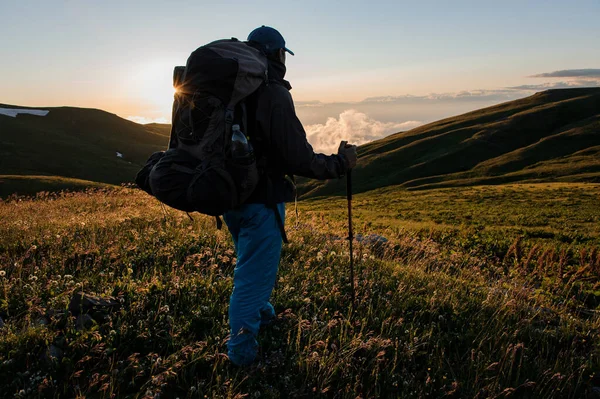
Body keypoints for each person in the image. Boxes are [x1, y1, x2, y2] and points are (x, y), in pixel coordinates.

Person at [223, 25, 358, 366]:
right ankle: (242, 359)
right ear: (276, 55)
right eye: (283, 54)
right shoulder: (272, 93)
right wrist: (340, 163)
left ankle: (264, 315)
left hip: (231, 196)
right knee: (251, 279)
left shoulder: (233, 90)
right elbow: (298, 157)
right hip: (261, 201)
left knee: (252, 263)